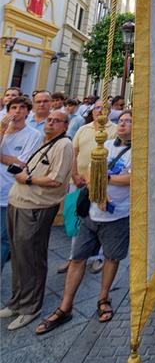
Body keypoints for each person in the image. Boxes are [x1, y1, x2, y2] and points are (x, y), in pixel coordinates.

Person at [36, 110, 132, 333]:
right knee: (77, 258)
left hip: (117, 215)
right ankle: (65, 305)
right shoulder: (106, 143)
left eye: (129, 121)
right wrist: (97, 189)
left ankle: (103, 297)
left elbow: (132, 178)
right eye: (122, 121)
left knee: (111, 257)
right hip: (91, 212)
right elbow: (90, 168)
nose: (123, 124)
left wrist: (105, 179)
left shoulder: (138, 151)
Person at [0, 110, 72, 330]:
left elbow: (56, 179)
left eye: (56, 121)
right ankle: (17, 301)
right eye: (49, 120)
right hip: (19, 203)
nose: (50, 123)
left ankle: (31, 307)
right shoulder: (44, 140)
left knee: (31, 256)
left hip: (36, 208)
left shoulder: (64, 145)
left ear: (65, 126)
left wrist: (28, 178)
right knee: (18, 255)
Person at [57, 99, 117, 274]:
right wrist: (74, 174)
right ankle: (74, 256)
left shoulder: (113, 130)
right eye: (97, 108)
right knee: (77, 218)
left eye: (104, 108)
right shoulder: (83, 129)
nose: (99, 111)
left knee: (99, 219)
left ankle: (98, 256)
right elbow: (74, 153)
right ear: (92, 111)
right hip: (78, 180)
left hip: (99, 183)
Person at [0, 97, 42, 268]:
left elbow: (23, 164)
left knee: (3, 238)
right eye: (13, 107)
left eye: (22, 107)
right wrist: (2, 130)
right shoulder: (2, 130)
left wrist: (4, 158)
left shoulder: (33, 135)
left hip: (9, 193)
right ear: (7, 111)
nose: (17, 111)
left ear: (28, 112)